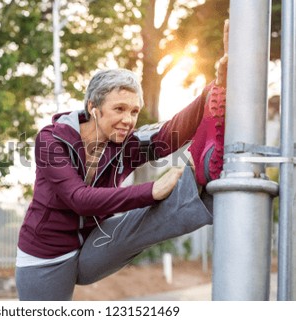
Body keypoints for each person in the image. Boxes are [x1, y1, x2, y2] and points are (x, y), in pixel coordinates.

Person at [15, 21, 229, 301]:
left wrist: (217, 84)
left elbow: (168, 135)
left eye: (134, 111)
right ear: (93, 108)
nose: (128, 120)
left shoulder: (124, 145)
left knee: (140, 219)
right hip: (46, 258)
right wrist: (152, 190)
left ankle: (201, 182)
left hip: (95, 243)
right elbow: (78, 198)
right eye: (119, 109)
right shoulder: (52, 140)